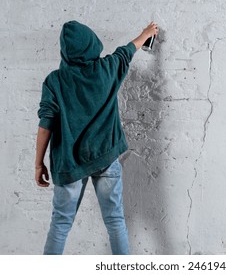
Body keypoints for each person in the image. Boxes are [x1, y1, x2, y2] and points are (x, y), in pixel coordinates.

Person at [34, 20, 158, 255]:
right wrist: (145, 33)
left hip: (69, 163)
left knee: (60, 226)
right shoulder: (107, 69)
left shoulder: (55, 81)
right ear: (92, 43)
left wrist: (39, 163)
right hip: (105, 156)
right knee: (115, 222)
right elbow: (127, 51)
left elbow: (45, 125)